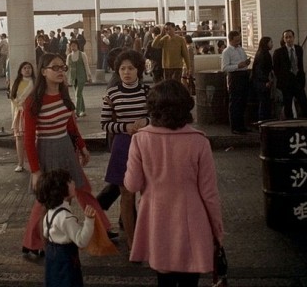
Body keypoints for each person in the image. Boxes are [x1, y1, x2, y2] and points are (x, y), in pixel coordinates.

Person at [125, 80, 224, 286]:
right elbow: (209, 194)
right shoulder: (199, 141)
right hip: (192, 221)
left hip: (156, 219)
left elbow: (132, 185)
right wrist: (217, 230)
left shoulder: (140, 140)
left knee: (164, 279)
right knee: (190, 280)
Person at [21, 52, 111, 256]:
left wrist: (82, 146)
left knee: (81, 188)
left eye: (63, 67)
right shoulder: (33, 102)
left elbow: (70, 124)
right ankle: (32, 242)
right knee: (47, 198)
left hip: (65, 148)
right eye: (55, 68)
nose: (61, 71)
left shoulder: (63, 94)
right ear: (43, 72)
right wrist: (35, 171)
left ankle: (101, 228)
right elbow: (28, 139)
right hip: (48, 149)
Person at [100, 49, 149, 250]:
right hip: (122, 145)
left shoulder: (148, 92)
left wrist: (146, 121)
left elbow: (158, 117)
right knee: (126, 195)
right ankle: (132, 241)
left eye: (130, 68)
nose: (126, 72)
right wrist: (125, 127)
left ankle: (149, 235)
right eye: (122, 68)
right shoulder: (112, 94)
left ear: (138, 69)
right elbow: (104, 123)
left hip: (146, 144)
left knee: (147, 194)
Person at [36, 169, 95, 287]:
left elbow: (46, 234)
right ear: (62, 190)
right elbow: (81, 241)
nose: (73, 182)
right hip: (66, 261)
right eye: (69, 181)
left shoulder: (49, 213)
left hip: (52, 259)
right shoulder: (65, 217)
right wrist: (89, 220)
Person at [272, 29, 307, 119]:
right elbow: (276, 69)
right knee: (288, 105)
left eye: (290, 37)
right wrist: (282, 80)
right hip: (286, 83)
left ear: (294, 38)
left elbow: (300, 65)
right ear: (284, 39)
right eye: (286, 37)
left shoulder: (298, 49)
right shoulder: (279, 52)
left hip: (298, 81)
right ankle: (290, 125)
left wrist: (301, 78)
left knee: (304, 103)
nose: (289, 39)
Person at [221, 30, 252, 134]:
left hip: (243, 75)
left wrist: (246, 63)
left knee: (243, 102)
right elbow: (224, 68)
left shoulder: (240, 49)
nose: (238, 42)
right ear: (230, 40)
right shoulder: (227, 52)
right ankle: (235, 127)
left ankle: (242, 125)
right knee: (235, 102)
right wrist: (237, 66)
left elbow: (243, 62)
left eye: (239, 40)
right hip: (234, 77)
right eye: (236, 40)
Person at [10, 61, 35, 172]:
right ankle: (20, 163)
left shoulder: (35, 83)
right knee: (19, 138)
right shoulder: (17, 83)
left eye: (29, 68)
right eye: (24, 68)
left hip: (31, 113)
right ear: (21, 70)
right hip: (19, 113)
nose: (27, 70)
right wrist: (20, 106)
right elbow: (13, 97)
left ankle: (34, 161)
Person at [66, 39, 92, 117]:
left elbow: (86, 65)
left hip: (81, 77)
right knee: (79, 94)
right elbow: (67, 68)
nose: (73, 47)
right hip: (73, 78)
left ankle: (76, 112)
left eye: (74, 45)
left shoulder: (82, 54)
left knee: (77, 94)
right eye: (71, 46)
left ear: (77, 46)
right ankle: (83, 110)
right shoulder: (69, 56)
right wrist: (66, 79)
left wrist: (89, 76)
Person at [252, 36, 275, 122]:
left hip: (260, 82)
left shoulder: (261, 53)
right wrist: (266, 81)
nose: (272, 44)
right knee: (264, 103)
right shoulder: (264, 54)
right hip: (262, 82)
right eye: (271, 42)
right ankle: (263, 121)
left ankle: (264, 121)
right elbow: (260, 70)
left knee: (265, 102)